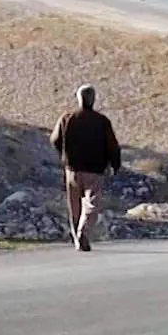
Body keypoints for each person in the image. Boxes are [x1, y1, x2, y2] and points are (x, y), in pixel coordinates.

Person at [50, 84, 121, 252]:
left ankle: (77, 238)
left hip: (72, 169)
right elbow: (112, 146)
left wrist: (64, 155)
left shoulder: (67, 118)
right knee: (92, 205)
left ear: (78, 98)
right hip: (94, 170)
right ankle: (84, 232)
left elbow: (54, 139)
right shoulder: (102, 121)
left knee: (73, 206)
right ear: (93, 99)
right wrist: (115, 164)